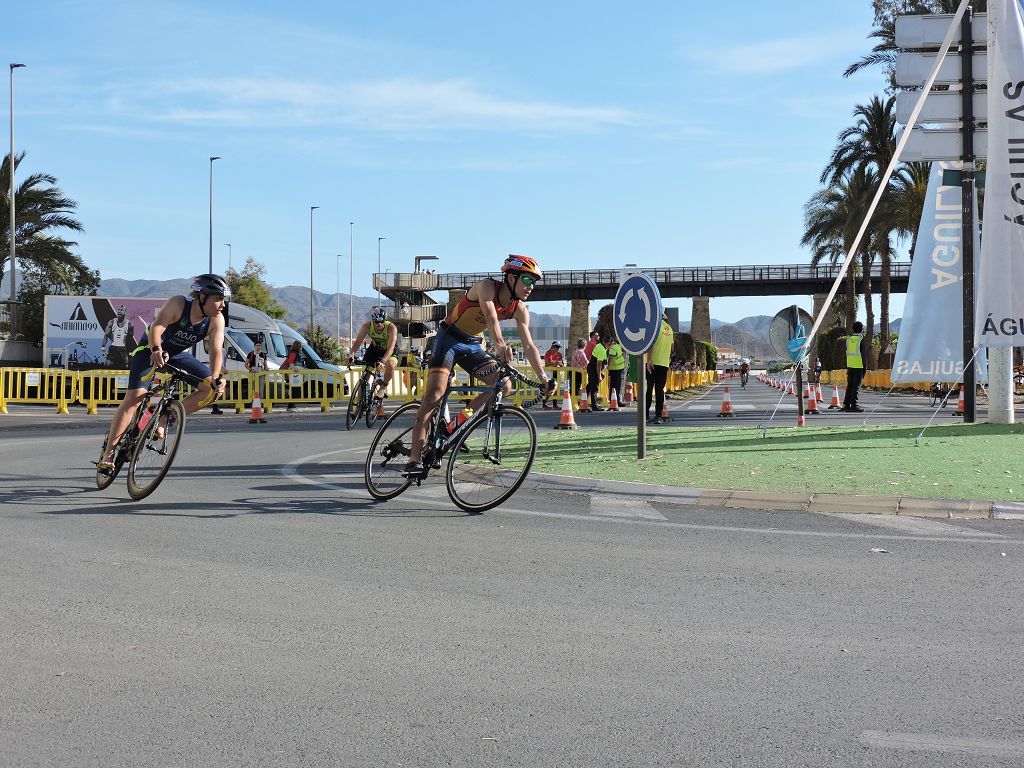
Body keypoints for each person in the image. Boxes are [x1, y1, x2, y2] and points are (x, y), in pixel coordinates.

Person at [404, 254, 556, 476]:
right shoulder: (486, 287)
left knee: (503, 385)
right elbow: (490, 316)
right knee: (435, 394)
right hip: (449, 338)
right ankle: (414, 458)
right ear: (511, 277)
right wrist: (501, 345)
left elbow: (530, 345)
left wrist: (543, 377)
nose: (531, 286)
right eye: (527, 280)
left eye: (534, 282)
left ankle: (456, 423)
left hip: (472, 345)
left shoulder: (520, 309)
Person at [97, 274, 229, 472]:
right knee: (135, 398)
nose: (222, 305)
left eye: (224, 300)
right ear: (202, 297)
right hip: (149, 349)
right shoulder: (178, 303)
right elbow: (157, 327)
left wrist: (217, 376)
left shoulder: (216, 320)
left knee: (211, 390)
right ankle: (109, 454)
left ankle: (164, 419)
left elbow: (216, 350)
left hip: (176, 354)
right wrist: (156, 350)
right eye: (218, 299)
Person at [348, 306, 399, 400]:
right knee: (364, 377)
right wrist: (351, 355)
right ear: (372, 320)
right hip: (374, 350)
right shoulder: (366, 326)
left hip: (388, 351)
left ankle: (383, 388)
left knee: (391, 365)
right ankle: (358, 408)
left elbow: (390, 348)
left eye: (382, 321)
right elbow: (357, 342)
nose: (379, 324)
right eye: (376, 322)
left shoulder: (391, 327)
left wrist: (383, 361)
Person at [645, 311, 673, 424]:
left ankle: (645, 415)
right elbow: (671, 348)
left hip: (653, 362)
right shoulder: (670, 329)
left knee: (649, 389)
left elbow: (651, 343)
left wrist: (649, 360)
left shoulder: (655, 327)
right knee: (660, 390)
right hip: (664, 363)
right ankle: (658, 416)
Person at [843, 321, 868, 412]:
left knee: (850, 385)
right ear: (861, 329)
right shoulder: (861, 339)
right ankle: (854, 404)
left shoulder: (849, 339)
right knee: (856, 386)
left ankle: (846, 404)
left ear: (853, 329)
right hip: (859, 366)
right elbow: (863, 355)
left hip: (850, 365)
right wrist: (865, 367)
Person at [101, 304, 136, 370]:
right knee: (107, 365)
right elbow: (106, 335)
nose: (119, 311)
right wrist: (103, 347)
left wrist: (130, 352)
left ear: (125, 312)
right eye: (118, 310)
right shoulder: (111, 322)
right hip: (113, 348)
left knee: (124, 368)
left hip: (123, 349)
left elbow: (130, 340)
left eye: (121, 310)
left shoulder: (130, 324)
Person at [585, 331, 607, 411]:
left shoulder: (598, 345)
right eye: (596, 336)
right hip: (593, 369)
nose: (598, 337)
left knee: (590, 385)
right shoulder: (594, 345)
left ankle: (583, 401)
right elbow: (598, 363)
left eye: (598, 335)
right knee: (594, 387)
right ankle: (594, 405)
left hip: (592, 368)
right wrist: (599, 375)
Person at [541, 341, 564, 408]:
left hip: (556, 373)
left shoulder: (559, 354)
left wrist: (559, 364)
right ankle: (544, 403)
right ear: (552, 347)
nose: (557, 349)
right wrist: (555, 363)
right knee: (547, 387)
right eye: (556, 347)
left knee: (555, 388)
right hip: (548, 373)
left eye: (558, 347)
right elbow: (547, 363)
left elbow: (562, 364)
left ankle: (555, 404)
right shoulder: (548, 353)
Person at [606, 334, 625, 402]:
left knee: (617, 386)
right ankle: (615, 400)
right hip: (615, 369)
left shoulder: (617, 345)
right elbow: (610, 357)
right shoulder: (613, 347)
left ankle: (615, 400)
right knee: (615, 386)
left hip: (618, 369)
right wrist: (608, 366)